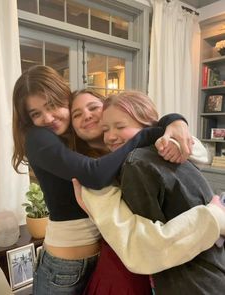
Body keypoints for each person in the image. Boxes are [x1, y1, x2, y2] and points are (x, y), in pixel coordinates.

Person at [12, 65, 194, 295]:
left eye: (53, 105)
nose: (48, 118)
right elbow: (94, 174)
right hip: (63, 266)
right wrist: (147, 134)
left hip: (97, 260)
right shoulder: (39, 137)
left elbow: (135, 112)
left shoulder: (85, 143)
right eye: (36, 114)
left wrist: (174, 121)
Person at [73, 91, 225, 295]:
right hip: (133, 274)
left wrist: (173, 124)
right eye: (76, 114)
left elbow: (197, 150)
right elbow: (138, 248)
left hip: (180, 272)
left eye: (93, 107)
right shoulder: (99, 174)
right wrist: (214, 216)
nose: (88, 115)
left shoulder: (147, 156)